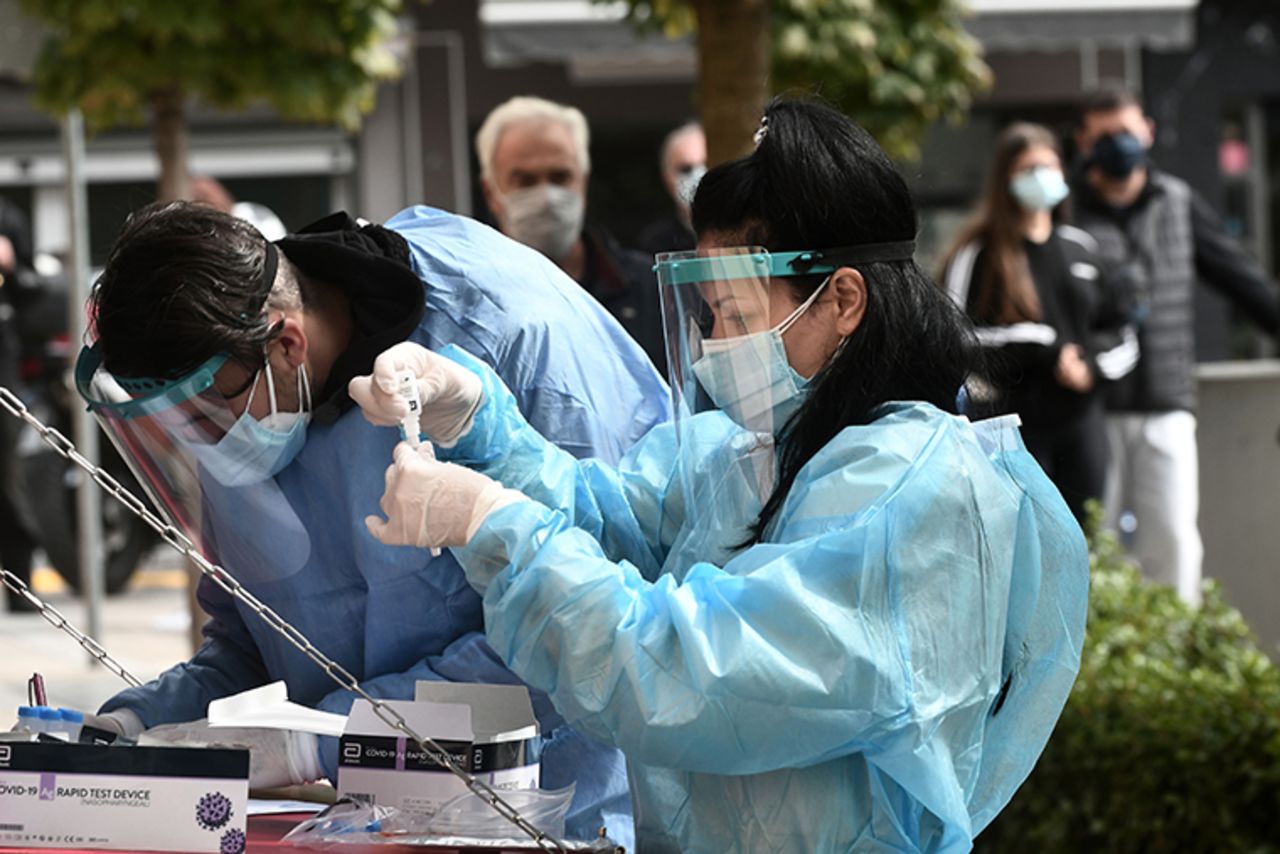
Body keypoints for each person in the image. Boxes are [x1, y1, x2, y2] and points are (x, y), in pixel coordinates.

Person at [354, 99, 1090, 852]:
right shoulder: (755, 449)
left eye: (734, 315)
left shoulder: (909, 488)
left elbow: (688, 674)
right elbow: (610, 523)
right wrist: (476, 423)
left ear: (841, 299)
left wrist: (491, 524)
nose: (713, 347)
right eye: (707, 315)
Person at [74, 201, 672, 846]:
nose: (205, 442)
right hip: (378, 817)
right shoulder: (241, 394)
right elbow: (258, 639)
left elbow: (596, 630)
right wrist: (143, 723)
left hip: (558, 804)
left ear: (287, 343)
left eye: (206, 413)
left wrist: (318, 740)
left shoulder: (506, 336)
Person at [1072, 84, 1280, 604]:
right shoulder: (1067, 212)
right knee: (1093, 547)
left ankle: (1175, 655)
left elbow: (1242, 280)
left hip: (1166, 400)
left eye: (1126, 131)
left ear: (1148, 131)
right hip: (1089, 406)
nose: (1119, 144)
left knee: (1174, 542)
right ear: (1083, 141)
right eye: (1105, 135)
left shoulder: (1177, 201)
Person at [941, 122, 1133, 524]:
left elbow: (1121, 331)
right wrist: (1043, 347)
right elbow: (955, 338)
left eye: (1049, 166)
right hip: (1011, 427)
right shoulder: (978, 255)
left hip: (1083, 425)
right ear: (1005, 179)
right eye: (1028, 169)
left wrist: (1091, 366)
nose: (1041, 177)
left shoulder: (1081, 247)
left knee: (1087, 541)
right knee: (1027, 544)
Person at [476, 95, 666, 372]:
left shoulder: (652, 291)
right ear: (490, 192)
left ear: (584, 182)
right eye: (525, 181)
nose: (548, 197)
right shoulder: (471, 298)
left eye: (560, 177)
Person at [0, 197, 39, 613]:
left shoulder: (6, 218)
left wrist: (11, 267)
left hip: (0, 364)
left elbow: (31, 290)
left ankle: (18, 581)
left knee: (8, 481)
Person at [635, 121, 706, 256]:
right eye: (686, 169)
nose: (699, 175)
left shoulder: (748, 232)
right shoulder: (654, 245)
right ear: (666, 179)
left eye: (706, 163)